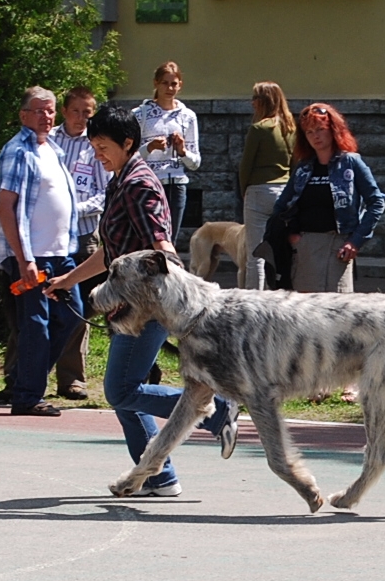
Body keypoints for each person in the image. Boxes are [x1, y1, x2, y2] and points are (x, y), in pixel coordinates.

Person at [44, 103, 239, 497]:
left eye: (102, 145)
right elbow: (110, 253)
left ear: (127, 142)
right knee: (125, 395)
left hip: (149, 306)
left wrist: (182, 297)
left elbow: (161, 246)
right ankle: (158, 476)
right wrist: (68, 279)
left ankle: (219, 411)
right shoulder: (119, 180)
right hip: (128, 305)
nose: (96, 153)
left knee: (120, 390)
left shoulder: (140, 185)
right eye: (93, 145)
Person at [269, 102, 385, 402]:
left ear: (333, 130)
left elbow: (376, 202)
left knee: (343, 317)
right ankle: (317, 383)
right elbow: (283, 205)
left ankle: (351, 381)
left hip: (339, 246)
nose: (315, 137)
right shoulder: (304, 168)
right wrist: (293, 235)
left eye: (320, 130)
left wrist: (356, 240)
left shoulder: (351, 163)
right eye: (309, 132)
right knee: (309, 319)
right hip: (307, 245)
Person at [0, 86, 84, 417]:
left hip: (62, 253)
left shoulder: (54, 150)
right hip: (34, 256)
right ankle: (27, 396)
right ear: (23, 116)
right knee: (37, 324)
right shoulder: (18, 151)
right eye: (39, 110)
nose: (47, 116)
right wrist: (24, 259)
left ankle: (22, 380)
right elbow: (6, 208)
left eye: (50, 110)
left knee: (72, 315)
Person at [49, 86, 113, 400]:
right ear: (64, 111)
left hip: (84, 235)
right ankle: (26, 374)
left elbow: (106, 192)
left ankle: (72, 379)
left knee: (78, 309)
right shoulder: (49, 141)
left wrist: (77, 208)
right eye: (76, 111)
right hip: (49, 238)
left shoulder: (96, 147)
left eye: (87, 113)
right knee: (41, 304)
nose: (81, 118)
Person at [132, 61, 200, 243]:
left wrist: (182, 150)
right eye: (165, 83)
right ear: (156, 83)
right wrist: (150, 147)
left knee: (169, 240)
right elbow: (129, 156)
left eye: (174, 84)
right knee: (148, 238)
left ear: (180, 85)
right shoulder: (140, 114)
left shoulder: (188, 116)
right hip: (148, 184)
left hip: (176, 185)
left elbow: (195, 163)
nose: (170, 88)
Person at [239, 81, 296, 290]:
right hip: (284, 191)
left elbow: (246, 164)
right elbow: (295, 163)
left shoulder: (259, 129)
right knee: (281, 249)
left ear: (264, 102)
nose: (252, 103)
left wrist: (243, 189)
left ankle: (254, 299)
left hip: (259, 190)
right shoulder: (291, 128)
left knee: (255, 254)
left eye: (255, 99)